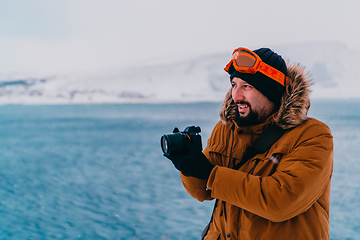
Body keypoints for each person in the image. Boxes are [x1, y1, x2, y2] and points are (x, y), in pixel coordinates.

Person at [164, 47, 334, 239]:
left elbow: (281, 201)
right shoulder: (227, 129)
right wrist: (188, 165)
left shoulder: (313, 135)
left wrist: (209, 173)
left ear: (271, 91)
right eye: (234, 85)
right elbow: (202, 191)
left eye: (246, 86)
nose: (236, 96)